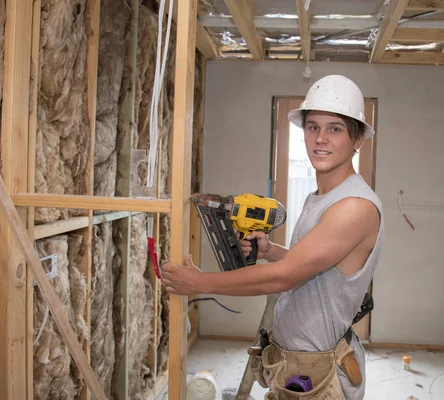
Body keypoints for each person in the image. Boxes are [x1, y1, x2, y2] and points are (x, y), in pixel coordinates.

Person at [161, 74, 384, 399]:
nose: (320, 138)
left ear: (358, 139)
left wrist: (198, 282)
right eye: (313, 127)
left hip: (317, 371)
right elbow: (310, 267)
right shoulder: (321, 196)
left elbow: (286, 276)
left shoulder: (354, 207)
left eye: (335, 129)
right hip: (296, 362)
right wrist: (270, 250)